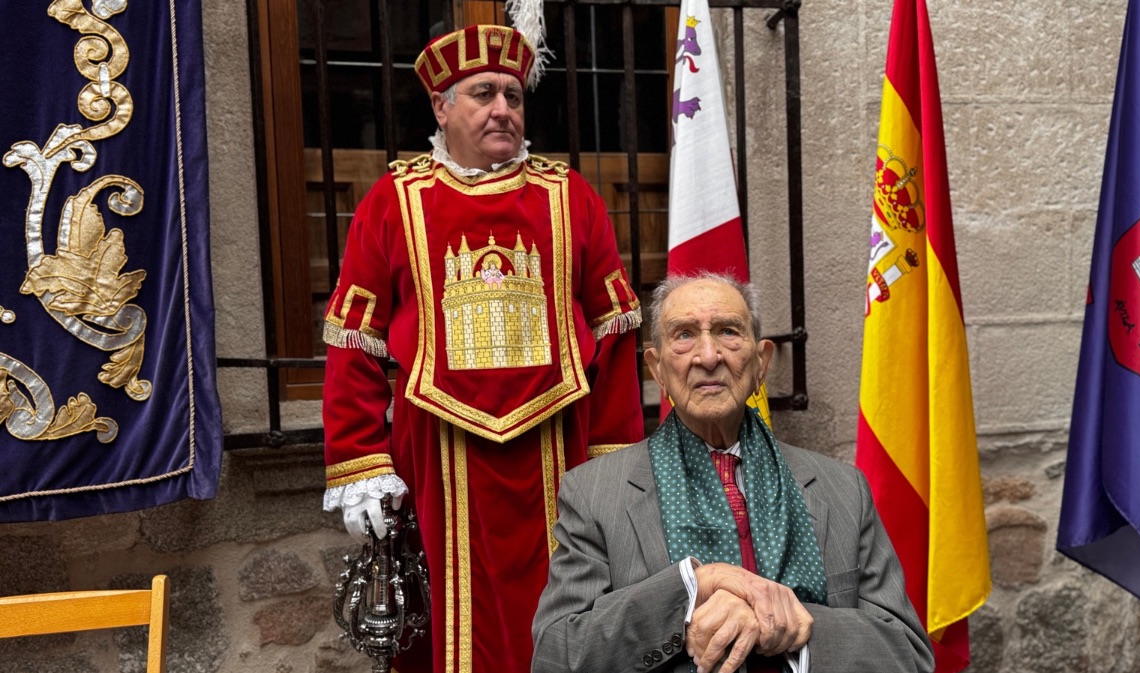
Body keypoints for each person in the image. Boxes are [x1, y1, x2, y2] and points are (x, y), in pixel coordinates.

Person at [321, 24, 644, 673]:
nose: (503, 107)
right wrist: (360, 459)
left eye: (513, 95)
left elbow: (613, 338)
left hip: (560, 461)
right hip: (438, 466)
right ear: (441, 106)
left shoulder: (572, 197)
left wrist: (617, 467)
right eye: (483, 93)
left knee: (568, 619)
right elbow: (356, 342)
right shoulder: (393, 200)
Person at [532, 273, 934, 673]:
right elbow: (556, 653)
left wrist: (792, 627)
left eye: (728, 332)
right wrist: (690, 589)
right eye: (684, 335)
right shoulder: (594, 493)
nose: (708, 356)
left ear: (761, 362)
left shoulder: (843, 490)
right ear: (657, 370)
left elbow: (909, 655)